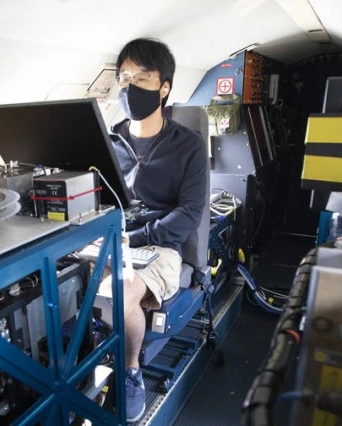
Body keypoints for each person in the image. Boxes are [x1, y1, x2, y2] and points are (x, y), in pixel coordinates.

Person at [108, 38, 207, 422]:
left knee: (123, 288)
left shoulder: (189, 146)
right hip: (111, 239)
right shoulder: (107, 140)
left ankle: (131, 372)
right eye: (124, 78)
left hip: (162, 247)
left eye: (142, 78)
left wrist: (138, 238)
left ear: (164, 87)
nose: (130, 87)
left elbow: (190, 213)